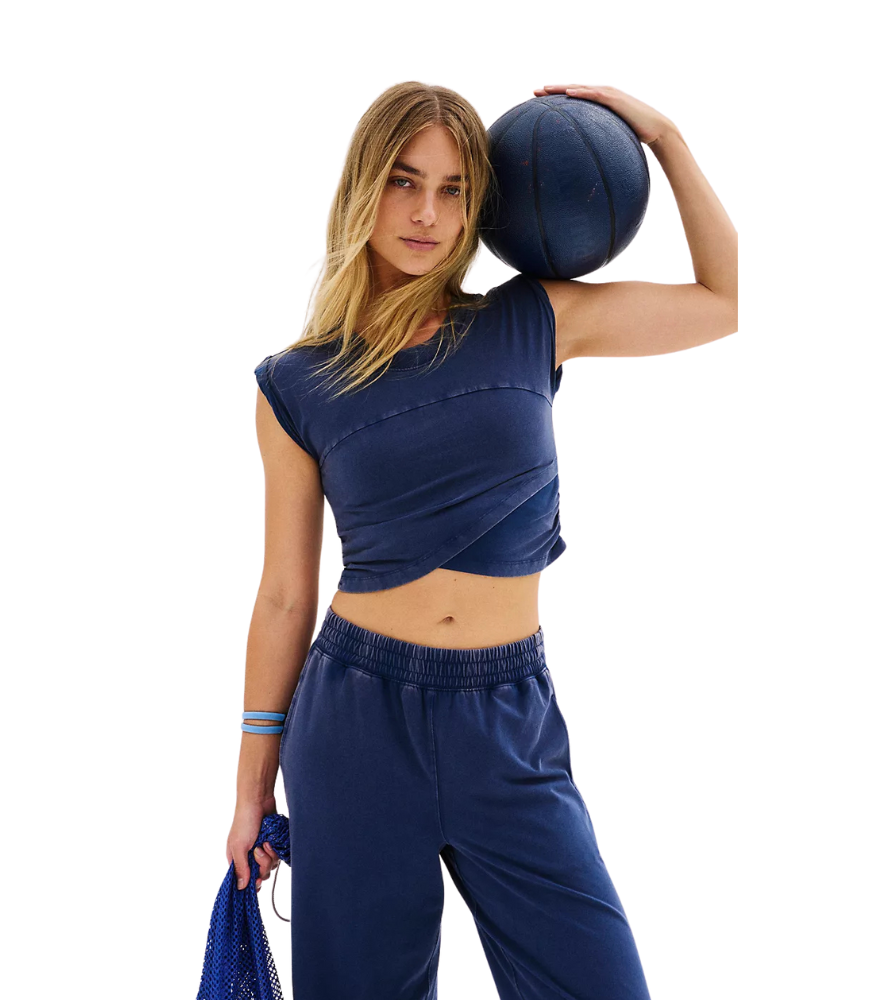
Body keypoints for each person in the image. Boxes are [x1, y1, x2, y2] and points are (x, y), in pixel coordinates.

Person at [228, 80, 737, 1000]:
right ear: (363, 187)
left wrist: (663, 136)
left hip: (509, 721)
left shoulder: (531, 319)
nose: (427, 213)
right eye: (404, 180)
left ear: (478, 207)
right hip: (356, 724)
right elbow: (284, 596)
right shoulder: (295, 384)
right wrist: (249, 791)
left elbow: (725, 298)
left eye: (454, 189)